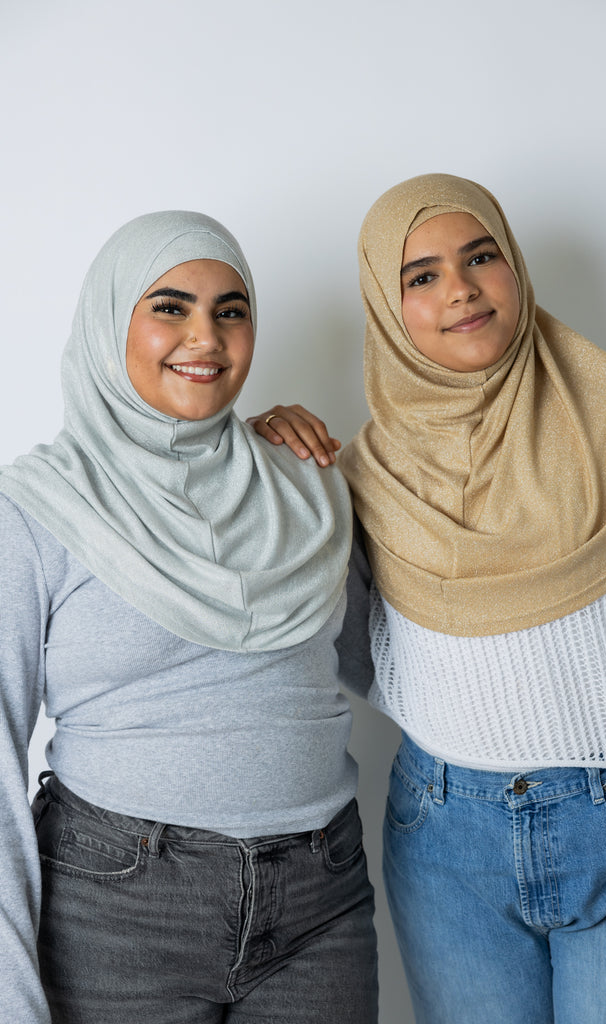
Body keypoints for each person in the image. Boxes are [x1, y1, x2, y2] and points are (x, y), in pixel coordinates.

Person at [249, 174, 606, 1024]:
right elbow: (335, 647)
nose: (460, 289)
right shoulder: (365, 479)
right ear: (386, 304)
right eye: (420, 275)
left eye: (480, 255)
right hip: (442, 841)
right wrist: (270, 470)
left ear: (513, 266)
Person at [0, 210, 378, 1023]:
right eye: (169, 306)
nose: (205, 337)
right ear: (109, 321)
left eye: (230, 310)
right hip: (116, 910)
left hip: (321, 900)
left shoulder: (305, 482)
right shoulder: (35, 509)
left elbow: (383, 661)